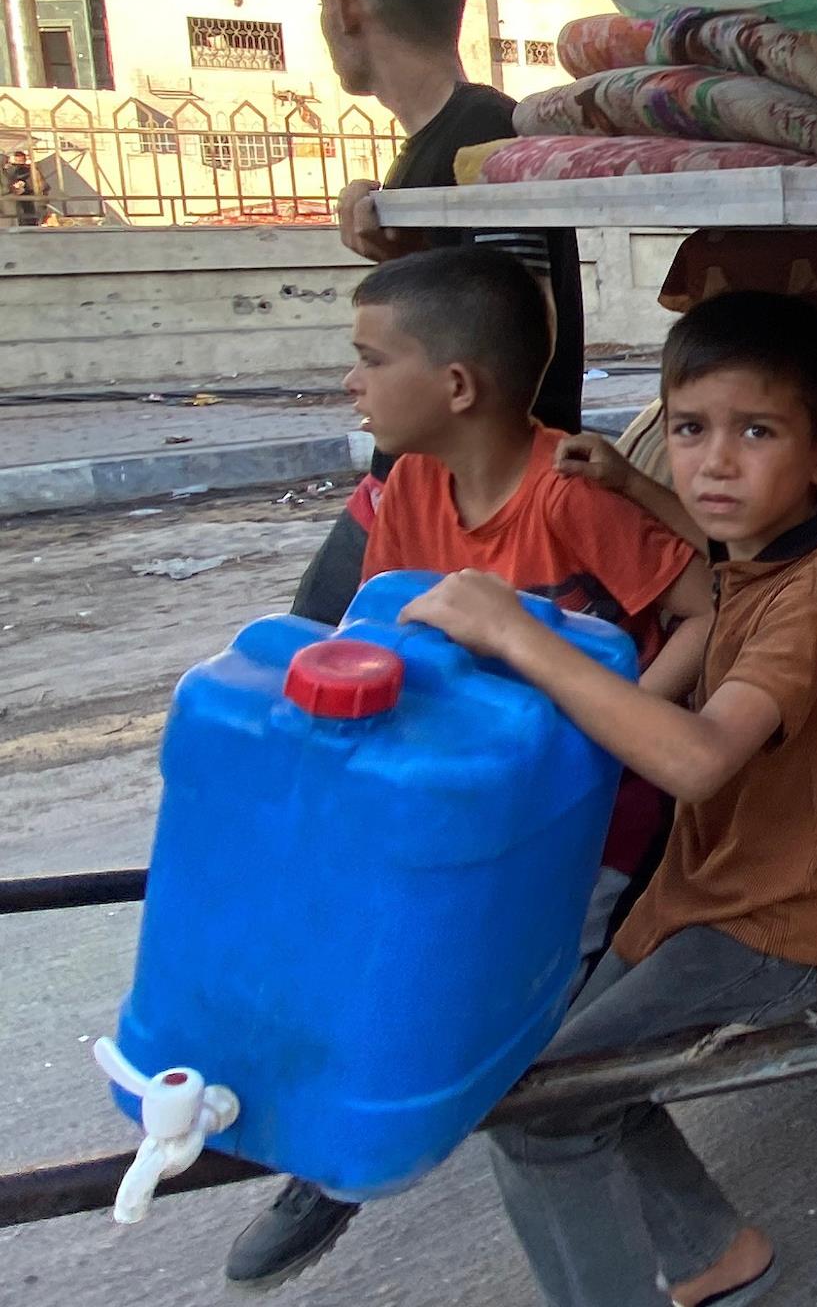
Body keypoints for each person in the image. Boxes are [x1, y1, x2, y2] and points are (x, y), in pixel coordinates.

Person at [398, 289, 817, 1307]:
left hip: (778, 926)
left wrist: (516, 631)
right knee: (556, 1070)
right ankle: (715, 1253)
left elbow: (700, 760)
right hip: (700, 891)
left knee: (539, 1112)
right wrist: (630, 481)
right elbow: (713, 560)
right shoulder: (759, 553)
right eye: (689, 429)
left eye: (755, 432)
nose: (714, 463)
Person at [224, 248, 711, 1291]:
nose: (352, 381)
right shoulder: (408, 488)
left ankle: (345, 1148)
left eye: (371, 359)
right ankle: (331, 1133)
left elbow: (705, 610)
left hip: (586, 818)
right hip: (461, 797)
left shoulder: (569, 497)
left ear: (455, 385)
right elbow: (384, 641)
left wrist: (614, 727)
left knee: (493, 1023)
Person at [286, 0, 585, 628]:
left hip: (476, 501)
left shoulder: (482, 136)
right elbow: (464, 307)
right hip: (432, 488)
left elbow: (523, 327)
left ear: (347, 8)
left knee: (317, 648)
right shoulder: (431, 150)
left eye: (323, 5)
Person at [5, 147, 40, 226]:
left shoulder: (30, 170)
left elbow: (35, 182)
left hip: (26, 197)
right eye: (17, 160)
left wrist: (24, 185)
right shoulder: (9, 170)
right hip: (17, 198)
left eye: (20, 161)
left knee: (27, 215)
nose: (19, 163)